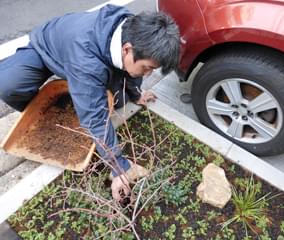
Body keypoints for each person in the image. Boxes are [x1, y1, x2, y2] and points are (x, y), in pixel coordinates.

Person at [0, 4, 180, 201]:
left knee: (118, 102)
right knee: (8, 84)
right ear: (127, 49)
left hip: (82, 60)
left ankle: (81, 89)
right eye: (147, 68)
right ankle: (50, 109)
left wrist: (136, 94)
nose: (148, 73)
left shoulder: (134, 30)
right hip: (48, 48)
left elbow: (132, 69)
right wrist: (118, 166)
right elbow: (95, 118)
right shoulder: (87, 61)